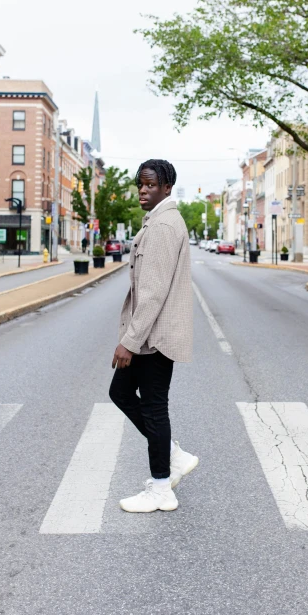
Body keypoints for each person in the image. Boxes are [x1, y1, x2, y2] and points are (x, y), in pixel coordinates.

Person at [109, 159, 198, 513]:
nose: (143, 191)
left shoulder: (162, 226)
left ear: (167, 187)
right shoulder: (159, 221)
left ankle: (162, 487)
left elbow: (153, 293)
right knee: (120, 392)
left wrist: (128, 341)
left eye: (150, 185)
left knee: (154, 408)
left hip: (154, 338)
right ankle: (174, 456)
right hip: (150, 334)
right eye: (140, 185)